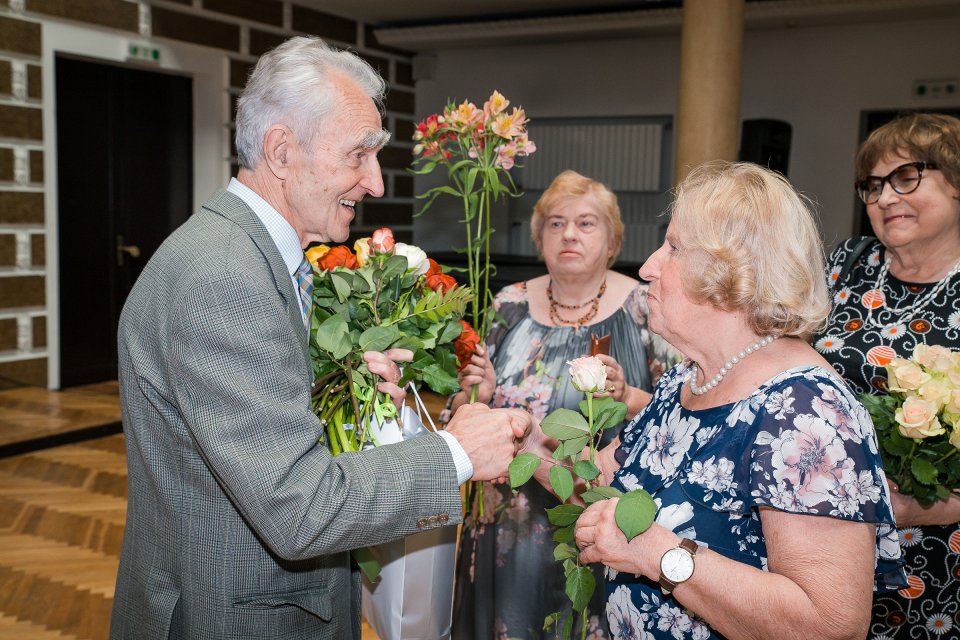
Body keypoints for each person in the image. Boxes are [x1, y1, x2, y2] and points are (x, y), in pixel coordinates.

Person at [109, 36, 530, 640]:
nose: (376, 183)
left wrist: (345, 384)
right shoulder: (221, 274)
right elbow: (297, 507)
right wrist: (456, 453)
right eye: (359, 155)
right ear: (282, 151)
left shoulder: (252, 256)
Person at [558, 161, 904, 639]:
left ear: (730, 269)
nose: (648, 267)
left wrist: (658, 554)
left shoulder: (805, 411)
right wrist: (526, 445)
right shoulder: (689, 379)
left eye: (674, 247)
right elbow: (605, 485)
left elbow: (829, 625)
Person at [450, 170, 679, 638]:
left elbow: (681, 413)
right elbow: (464, 407)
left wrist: (627, 396)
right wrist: (481, 391)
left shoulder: (645, 307)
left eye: (585, 223)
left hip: (595, 517)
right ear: (538, 237)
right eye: (555, 223)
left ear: (612, 240)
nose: (568, 233)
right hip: (503, 521)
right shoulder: (509, 304)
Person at [813, 113, 960, 639]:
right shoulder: (845, 265)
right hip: (821, 539)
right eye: (873, 185)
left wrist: (922, 508)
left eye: (906, 178)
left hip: (937, 560)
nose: (884, 197)